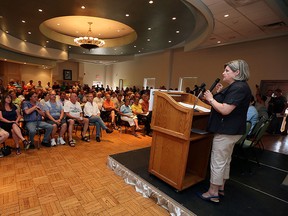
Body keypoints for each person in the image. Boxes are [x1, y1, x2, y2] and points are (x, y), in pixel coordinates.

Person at [199, 59, 251, 203]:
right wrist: (219, 93)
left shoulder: (239, 87)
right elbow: (228, 103)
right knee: (225, 160)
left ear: (237, 72)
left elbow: (225, 110)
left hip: (227, 131)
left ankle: (212, 193)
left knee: (218, 161)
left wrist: (210, 99)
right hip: (232, 131)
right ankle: (220, 188)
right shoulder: (237, 86)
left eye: (227, 71)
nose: (223, 73)